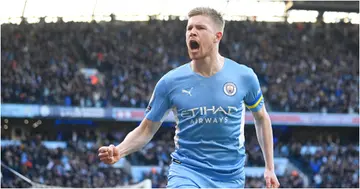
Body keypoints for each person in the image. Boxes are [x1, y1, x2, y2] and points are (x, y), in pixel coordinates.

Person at [98, 7, 280, 188]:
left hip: (230, 176)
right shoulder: (170, 82)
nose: (192, 32)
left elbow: (262, 118)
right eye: (189, 28)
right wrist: (119, 151)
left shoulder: (244, 77)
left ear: (217, 36)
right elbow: (146, 129)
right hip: (187, 172)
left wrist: (270, 167)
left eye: (200, 28)